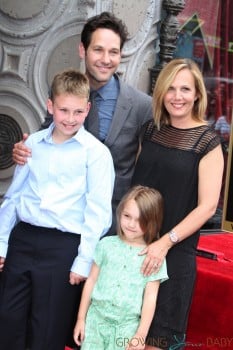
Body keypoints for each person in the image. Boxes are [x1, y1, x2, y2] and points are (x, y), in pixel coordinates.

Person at [0, 68, 115, 350]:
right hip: (23, 239)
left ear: (88, 109)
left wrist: (82, 260)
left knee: (47, 327)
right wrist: (2, 243)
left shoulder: (96, 153)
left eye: (78, 112)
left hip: (63, 246)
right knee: (8, 318)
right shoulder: (32, 145)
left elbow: (97, 213)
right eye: (64, 110)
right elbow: (14, 198)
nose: (70, 118)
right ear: (50, 106)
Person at [12, 12, 152, 234]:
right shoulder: (61, 92)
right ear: (82, 50)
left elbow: (147, 171)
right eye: (98, 49)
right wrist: (24, 150)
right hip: (60, 222)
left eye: (113, 52)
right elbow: (45, 139)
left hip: (111, 224)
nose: (106, 59)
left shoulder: (142, 105)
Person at [131, 58, 224, 350]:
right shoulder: (150, 130)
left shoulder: (207, 142)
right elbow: (137, 190)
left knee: (154, 343)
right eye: (170, 88)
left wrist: (164, 243)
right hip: (134, 251)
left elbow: (208, 207)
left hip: (173, 257)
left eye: (185, 89)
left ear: (197, 94)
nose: (177, 96)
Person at [73, 185, 168, 350]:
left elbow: (150, 298)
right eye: (127, 216)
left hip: (127, 329)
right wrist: (81, 319)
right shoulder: (105, 245)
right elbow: (91, 282)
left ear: (152, 221)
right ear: (120, 212)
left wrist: (141, 335)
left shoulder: (153, 257)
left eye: (140, 220)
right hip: (95, 322)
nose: (131, 224)